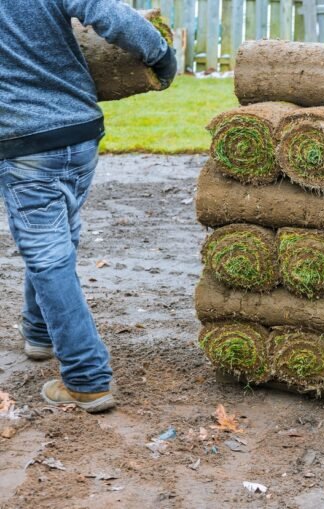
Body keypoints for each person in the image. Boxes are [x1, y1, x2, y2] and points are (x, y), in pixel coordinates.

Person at [0, 0, 177, 413]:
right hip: (79, 133)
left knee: (47, 255)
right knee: (55, 242)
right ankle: (40, 333)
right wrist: (161, 55)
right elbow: (107, 12)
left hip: (25, 143)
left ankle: (86, 379)